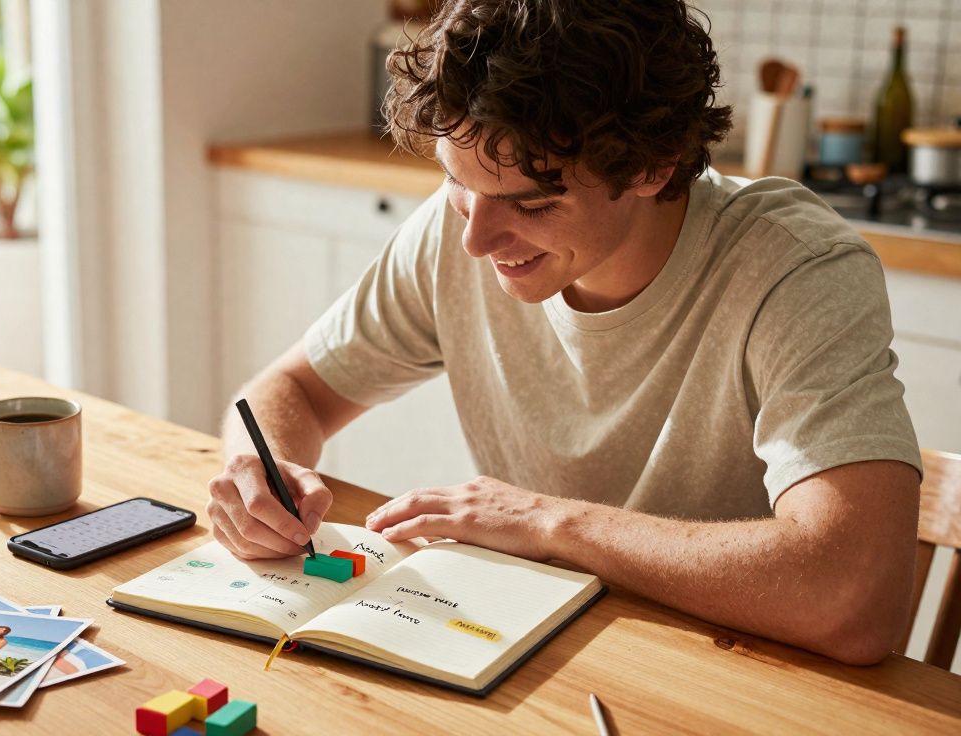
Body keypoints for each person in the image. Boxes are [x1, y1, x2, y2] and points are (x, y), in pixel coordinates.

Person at [205, 0, 922, 666]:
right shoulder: (459, 226)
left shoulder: (793, 269)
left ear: (651, 164)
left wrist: (550, 524)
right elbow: (291, 389)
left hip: (723, 672)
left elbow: (855, 597)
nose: (476, 242)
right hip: (528, 650)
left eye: (533, 204)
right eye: (458, 185)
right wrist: (257, 477)